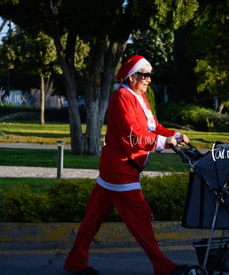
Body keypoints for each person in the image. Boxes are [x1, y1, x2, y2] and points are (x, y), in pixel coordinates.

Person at [63, 55, 190, 275]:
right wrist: (163, 142)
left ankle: (75, 262)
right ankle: (162, 267)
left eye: (150, 75)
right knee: (140, 217)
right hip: (121, 170)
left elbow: (154, 127)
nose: (149, 79)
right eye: (146, 75)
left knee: (93, 218)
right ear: (132, 77)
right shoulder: (122, 97)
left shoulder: (140, 98)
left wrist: (175, 134)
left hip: (120, 168)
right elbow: (132, 135)